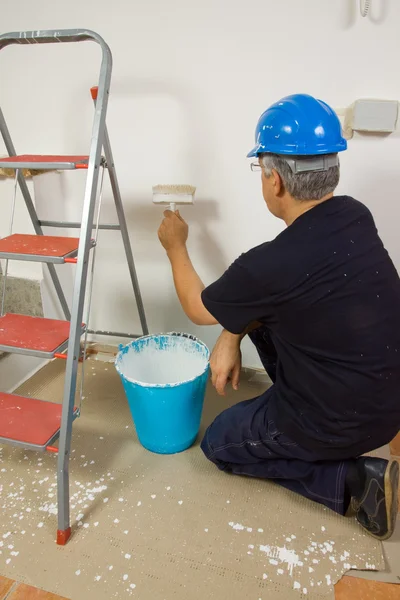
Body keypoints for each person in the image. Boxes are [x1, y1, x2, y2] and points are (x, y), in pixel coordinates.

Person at [157, 93, 400, 540]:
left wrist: (175, 245)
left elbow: (196, 306)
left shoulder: (266, 266)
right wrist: (230, 336)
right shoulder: (354, 215)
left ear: (275, 182)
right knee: (263, 317)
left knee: (219, 444)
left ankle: (352, 480)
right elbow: (267, 299)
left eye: (260, 170)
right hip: (390, 401)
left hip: (338, 420)